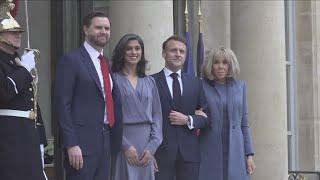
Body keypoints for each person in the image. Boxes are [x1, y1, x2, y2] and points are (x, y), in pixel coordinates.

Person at [54, 11, 123, 180]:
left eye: (107, 28)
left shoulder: (106, 62)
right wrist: (71, 143)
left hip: (106, 141)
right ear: (85, 29)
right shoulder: (71, 60)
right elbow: (62, 105)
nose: (103, 32)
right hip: (81, 145)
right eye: (98, 27)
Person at [0, 0, 46, 179]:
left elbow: (33, 104)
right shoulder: (18, 66)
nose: (18, 35)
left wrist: (40, 138)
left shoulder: (18, 61)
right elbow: (4, 92)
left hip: (28, 136)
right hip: (8, 137)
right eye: (12, 32)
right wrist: (24, 70)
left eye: (18, 32)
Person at [152, 35, 209, 180]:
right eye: (173, 50)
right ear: (164, 54)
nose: (178, 54)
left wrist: (188, 119)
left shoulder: (195, 83)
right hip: (160, 153)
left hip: (189, 154)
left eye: (182, 51)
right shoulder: (150, 82)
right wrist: (149, 152)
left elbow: (207, 118)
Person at [198, 47, 256, 180]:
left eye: (225, 62)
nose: (220, 66)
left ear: (231, 65)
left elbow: (244, 124)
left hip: (236, 150)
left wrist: (249, 155)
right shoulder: (201, 86)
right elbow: (193, 112)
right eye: (216, 62)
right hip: (208, 149)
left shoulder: (240, 87)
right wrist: (194, 113)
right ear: (210, 65)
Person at [111, 33, 162, 180]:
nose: (134, 52)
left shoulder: (150, 81)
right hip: (123, 142)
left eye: (137, 48)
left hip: (147, 147)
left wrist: (152, 148)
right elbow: (110, 116)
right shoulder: (113, 80)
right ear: (122, 52)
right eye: (129, 49)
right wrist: (125, 146)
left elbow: (157, 116)